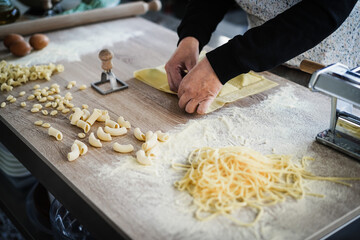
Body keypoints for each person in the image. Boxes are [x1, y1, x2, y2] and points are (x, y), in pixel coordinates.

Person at [165, 0, 359, 114]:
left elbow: (324, 10)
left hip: (329, 75)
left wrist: (225, 63)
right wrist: (192, 35)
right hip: (260, 61)